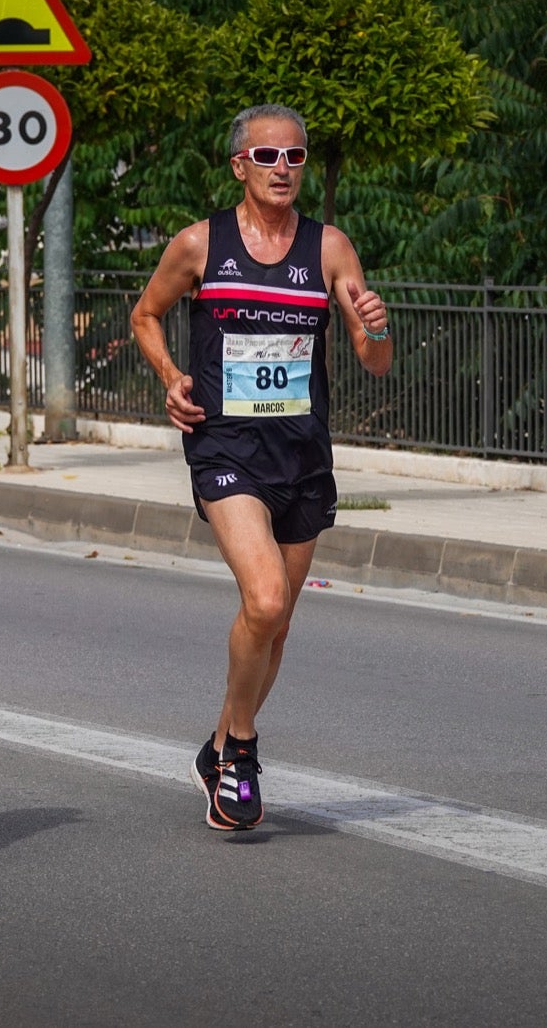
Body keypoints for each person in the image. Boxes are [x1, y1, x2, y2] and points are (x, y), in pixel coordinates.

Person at [130, 104, 393, 831]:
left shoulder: (329, 248)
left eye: (295, 156)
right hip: (225, 449)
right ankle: (241, 752)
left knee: (274, 627)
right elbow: (145, 314)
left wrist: (376, 329)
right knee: (267, 598)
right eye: (268, 156)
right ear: (239, 165)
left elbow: (374, 361)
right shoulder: (199, 244)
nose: (283, 168)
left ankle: (215, 749)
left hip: (302, 455)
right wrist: (171, 377)